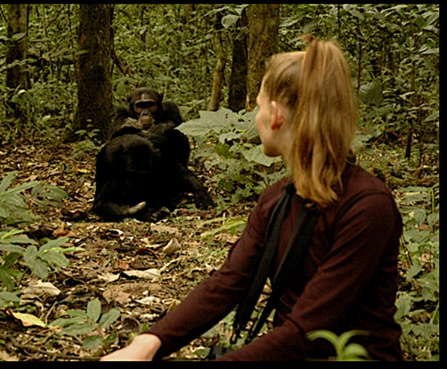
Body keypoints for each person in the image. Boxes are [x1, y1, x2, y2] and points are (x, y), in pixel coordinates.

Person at [100, 35, 403, 361]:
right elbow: (226, 284)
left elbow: (307, 332)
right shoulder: (277, 199)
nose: (255, 116)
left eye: (257, 106)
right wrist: (148, 343)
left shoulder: (368, 206)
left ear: (274, 115)